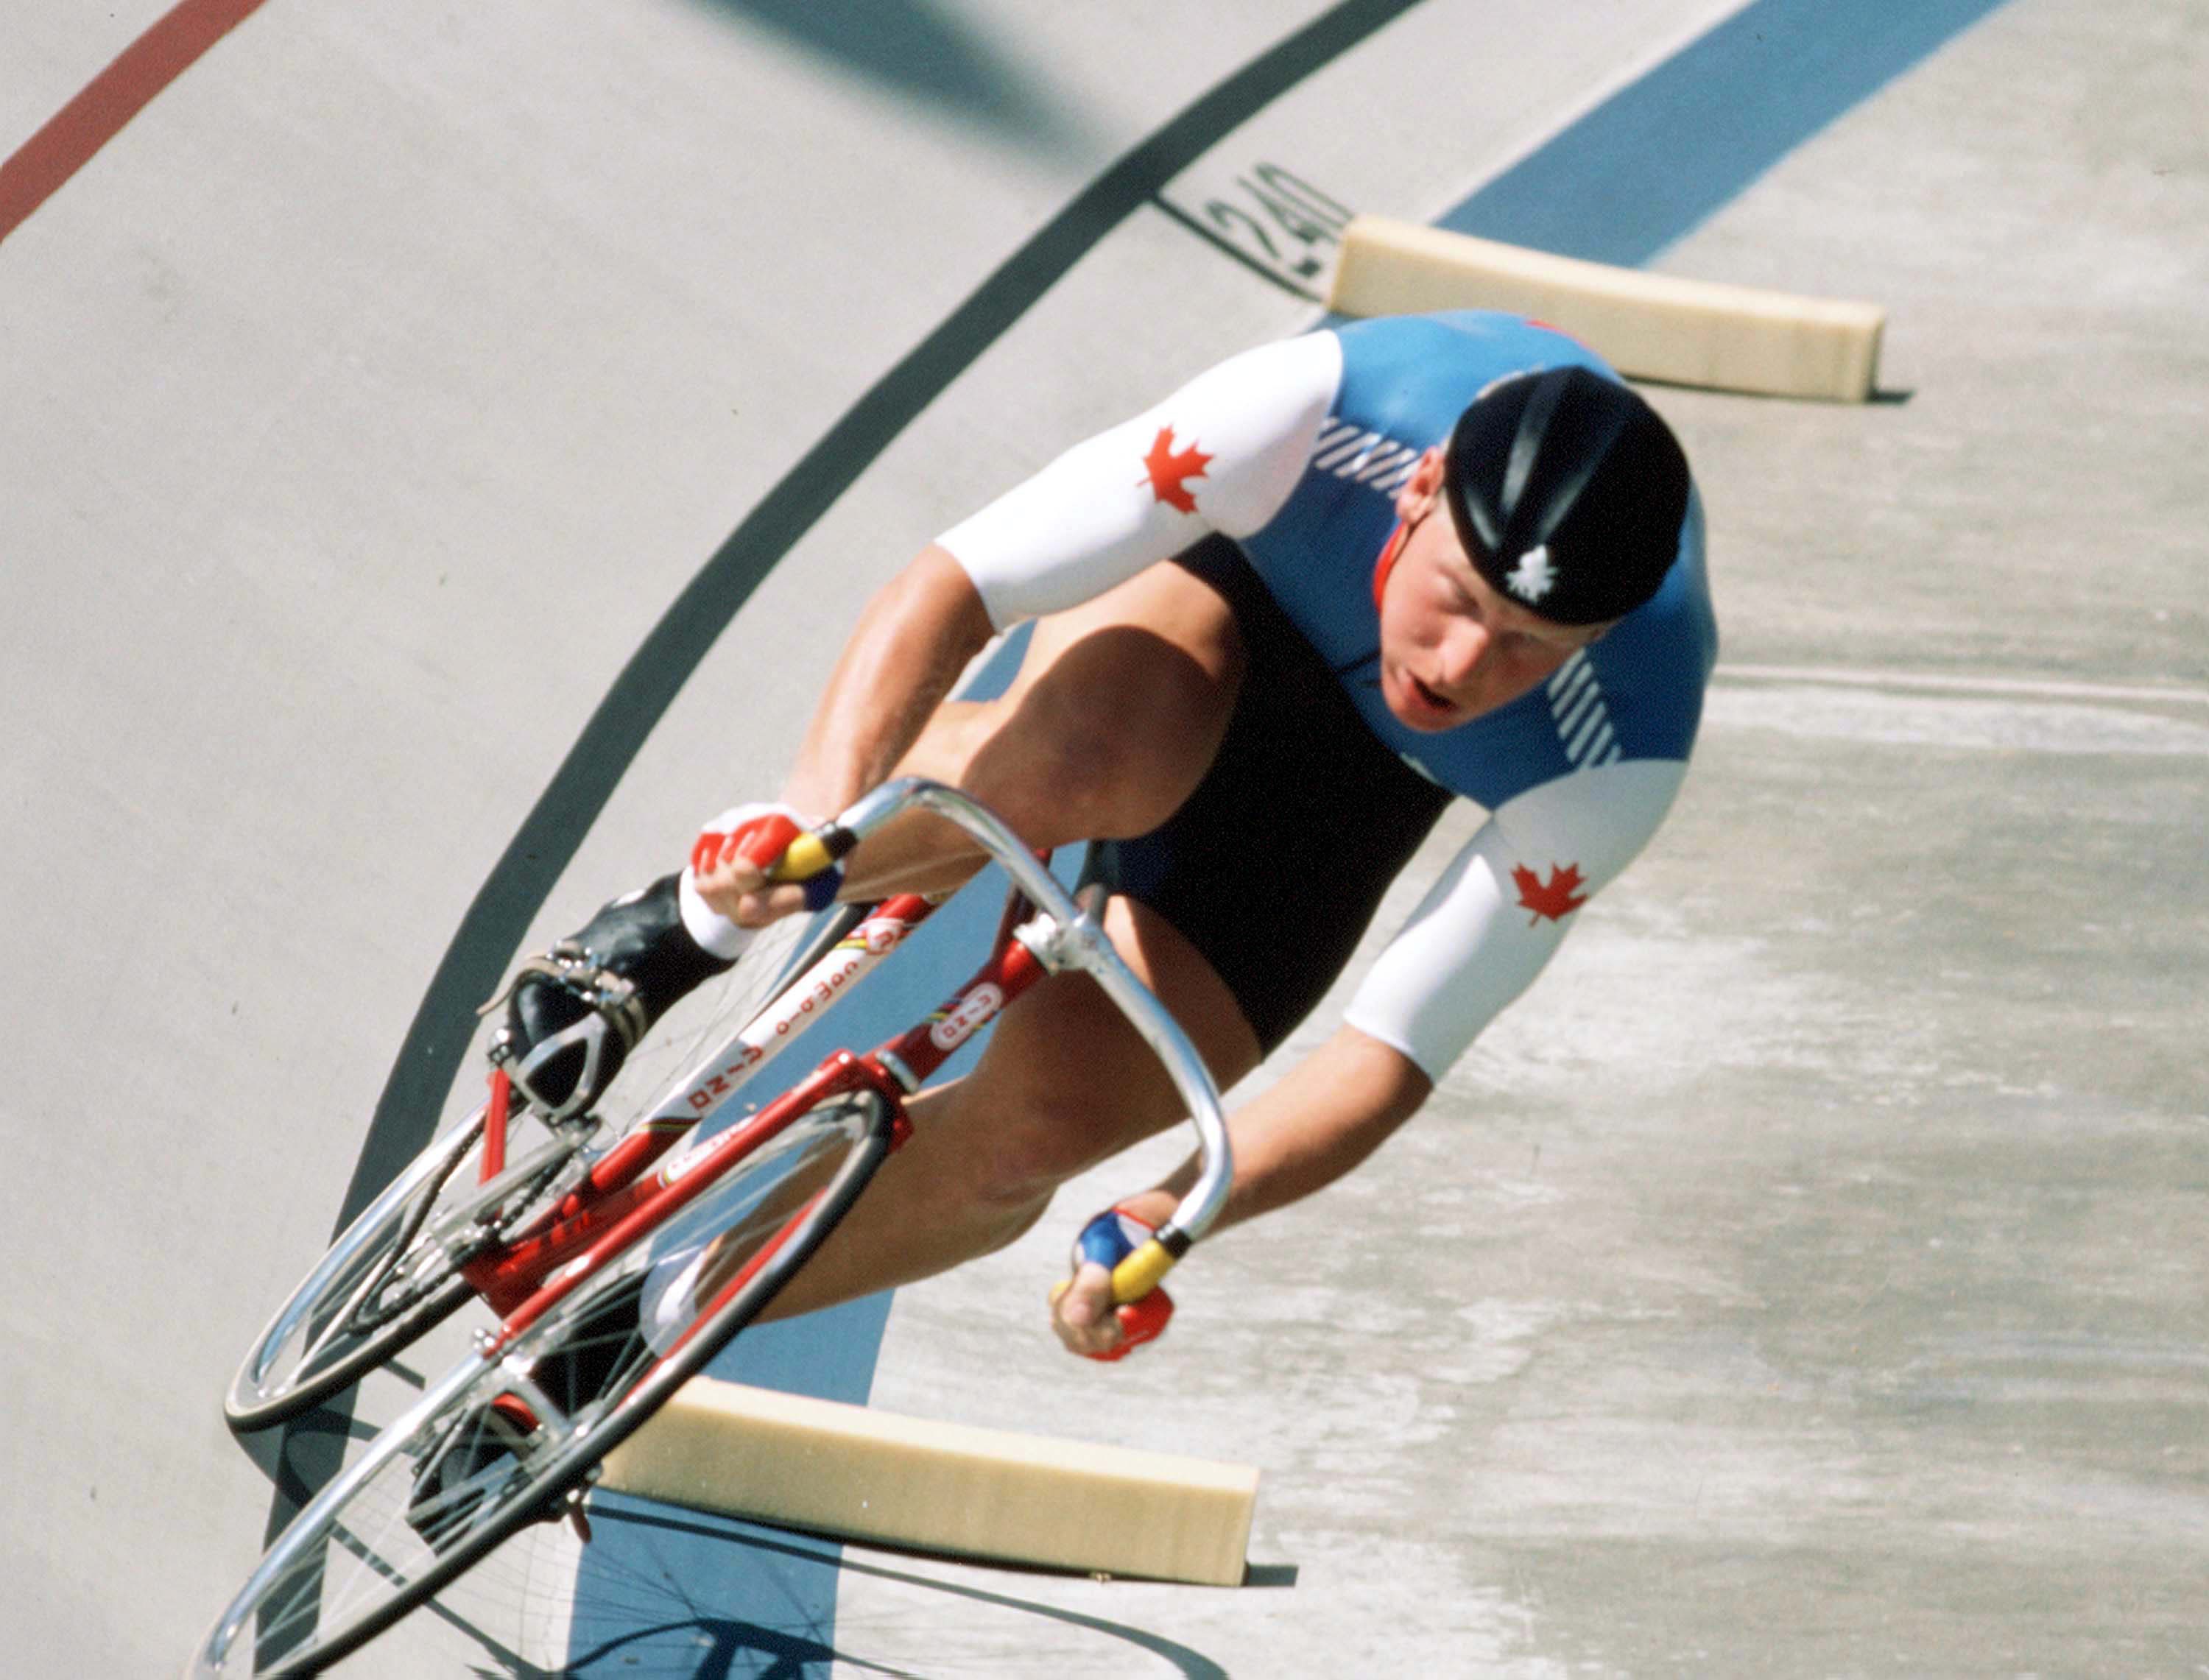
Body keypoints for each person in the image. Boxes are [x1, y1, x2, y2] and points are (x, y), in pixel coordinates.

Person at [498, 308, 1716, 1362]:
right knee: (1082, 763)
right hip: (1230, 600)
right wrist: (813, 807)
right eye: (1455, 599)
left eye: (1524, 647)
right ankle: (673, 933)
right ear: (1417, 487)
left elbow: (1392, 1052)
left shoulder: (1627, 751)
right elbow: (955, 584)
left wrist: (1175, 1215)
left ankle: (629, 1342)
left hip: (1353, 796)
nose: (1459, 663)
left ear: (1596, 642)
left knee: (1028, 1144)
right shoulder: (1309, 413)